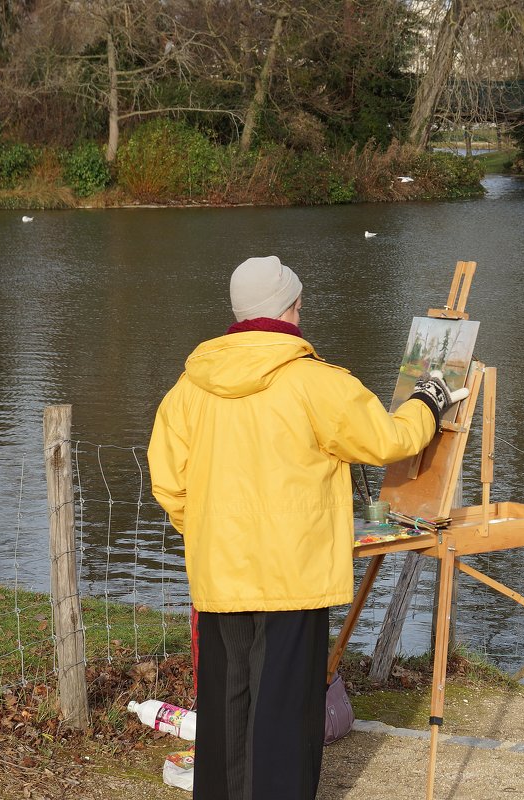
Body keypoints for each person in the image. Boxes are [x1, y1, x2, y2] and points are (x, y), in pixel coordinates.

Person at [147, 255, 467, 800]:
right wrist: (427, 403)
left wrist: (209, 535)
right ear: (289, 310)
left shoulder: (190, 387)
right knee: (285, 712)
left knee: (228, 707)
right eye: (299, 303)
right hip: (292, 577)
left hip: (221, 574)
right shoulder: (314, 382)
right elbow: (386, 441)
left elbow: (168, 484)